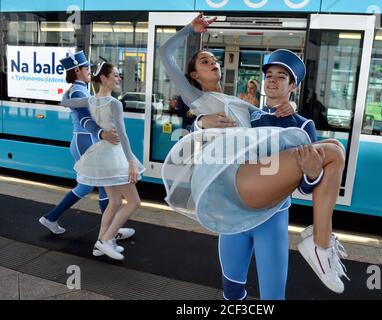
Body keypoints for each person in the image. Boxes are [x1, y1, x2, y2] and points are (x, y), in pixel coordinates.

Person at [160, 13, 347, 297]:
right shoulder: (215, 104)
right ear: (195, 76)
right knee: (232, 290)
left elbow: (307, 186)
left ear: (292, 85)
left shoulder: (253, 111)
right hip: (234, 196)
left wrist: (311, 171)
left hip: (270, 213)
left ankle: (320, 244)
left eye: (281, 77)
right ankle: (320, 243)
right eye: (269, 76)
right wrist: (199, 123)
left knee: (270, 297)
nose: (272, 81)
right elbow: (202, 131)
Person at [38, 51, 135, 245]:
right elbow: (85, 119)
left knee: (89, 185)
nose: (90, 72)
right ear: (77, 71)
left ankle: (51, 218)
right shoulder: (79, 90)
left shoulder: (78, 89)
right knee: (103, 185)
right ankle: (109, 233)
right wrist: (101, 134)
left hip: (83, 141)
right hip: (85, 141)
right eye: (86, 69)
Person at [60, 61, 145, 260]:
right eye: (115, 75)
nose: (118, 78)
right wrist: (131, 161)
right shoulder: (114, 103)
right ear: (104, 79)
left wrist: (69, 88)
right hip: (115, 156)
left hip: (100, 155)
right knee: (133, 202)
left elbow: (65, 102)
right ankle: (105, 240)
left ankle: (99, 247)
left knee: (114, 201)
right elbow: (122, 135)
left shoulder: (90, 100)